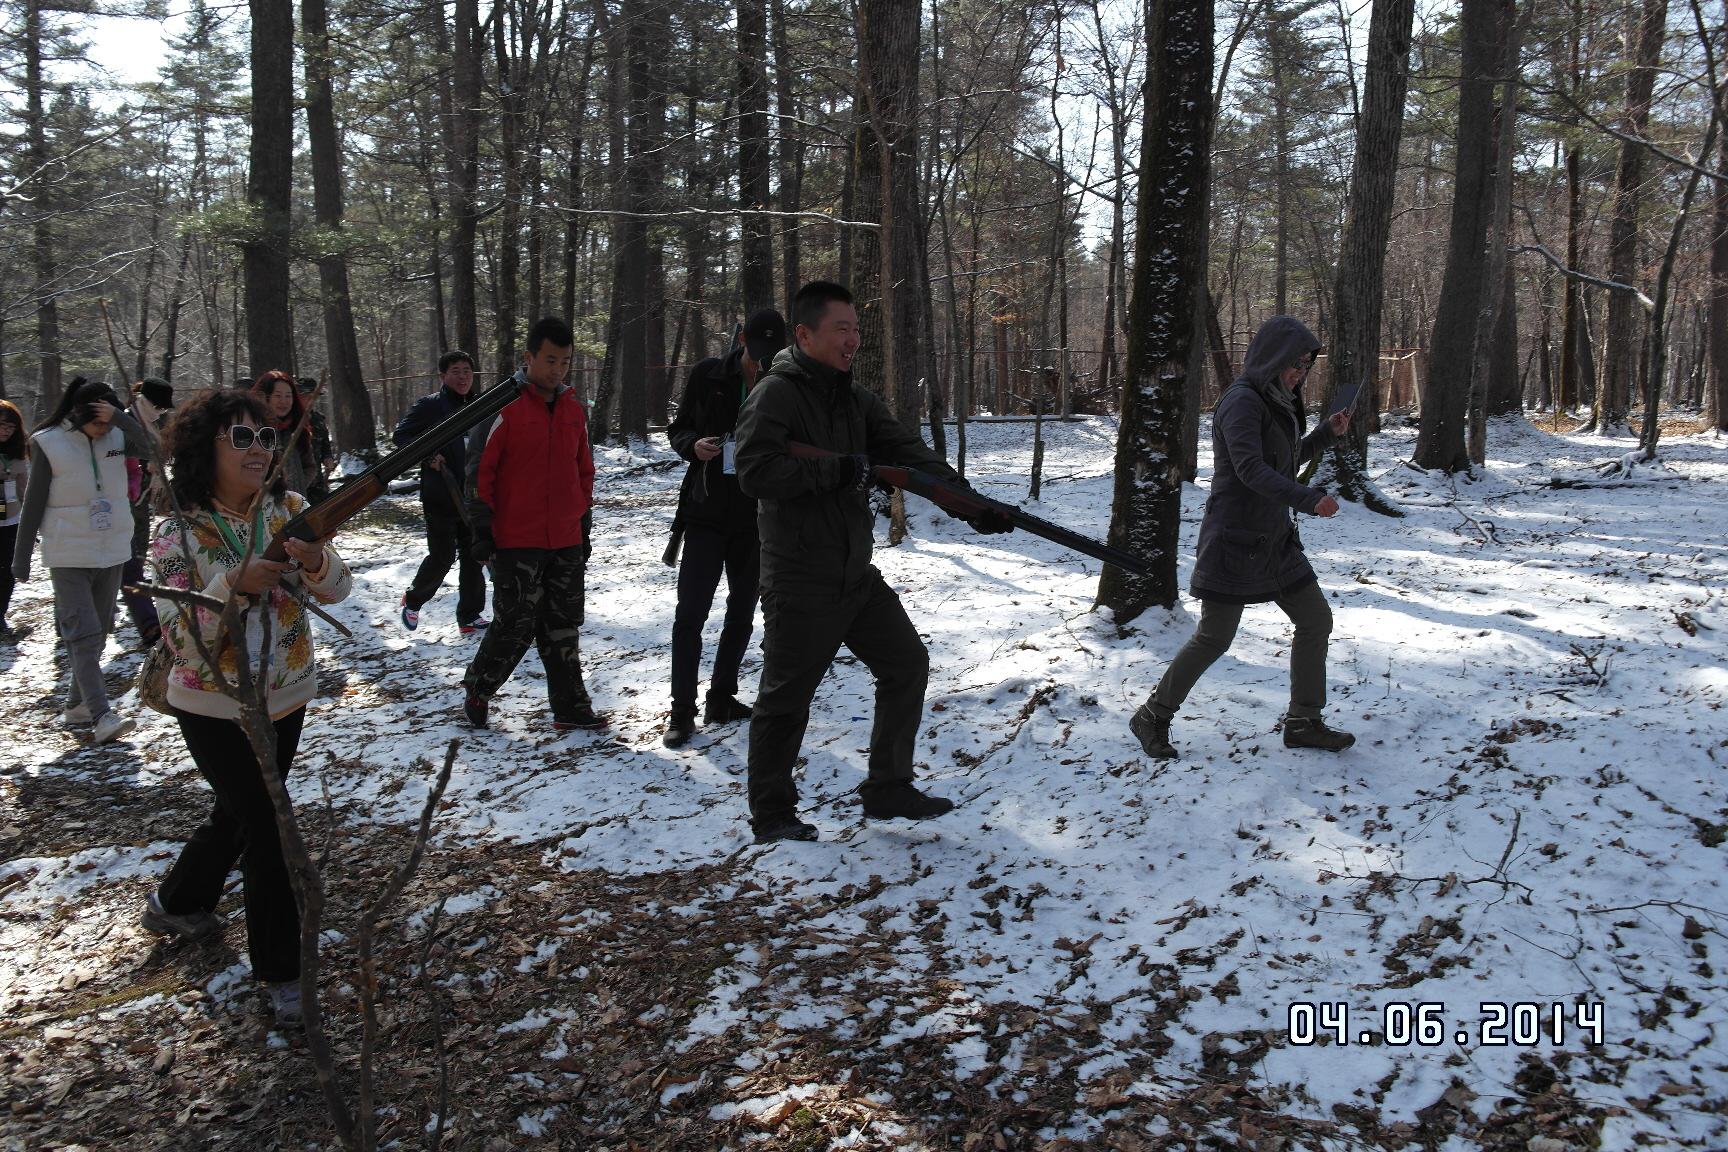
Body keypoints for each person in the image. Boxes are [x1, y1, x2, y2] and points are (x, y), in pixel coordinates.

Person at [734, 281, 1010, 844]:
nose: (854, 340)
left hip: (855, 574)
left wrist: (968, 502)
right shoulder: (776, 395)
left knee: (905, 664)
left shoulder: (852, 397)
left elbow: (905, 451)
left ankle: (887, 788)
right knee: (785, 701)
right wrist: (836, 471)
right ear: (805, 334)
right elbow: (755, 472)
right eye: (842, 329)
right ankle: (772, 814)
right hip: (801, 576)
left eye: (858, 329)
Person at [142, 388, 351, 1027]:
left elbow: (339, 589)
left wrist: (314, 560)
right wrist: (232, 585)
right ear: (207, 449)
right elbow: (179, 634)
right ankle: (283, 975)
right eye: (241, 438)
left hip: (285, 694)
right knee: (269, 824)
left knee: (241, 811)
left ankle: (179, 898)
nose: (258, 448)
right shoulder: (176, 529)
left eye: (264, 437)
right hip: (211, 703)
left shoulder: (287, 508)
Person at [1129, 314, 1355, 760]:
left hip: (1275, 540)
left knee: (1315, 620)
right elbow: (1251, 470)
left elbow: (1284, 460)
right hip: (1234, 540)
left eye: (1306, 366)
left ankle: (1304, 720)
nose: (1300, 373)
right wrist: (1307, 499)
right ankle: (1152, 716)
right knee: (1215, 637)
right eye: (1295, 363)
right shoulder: (1242, 402)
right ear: (1272, 358)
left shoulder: (1280, 401)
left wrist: (1326, 435)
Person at [460, 316, 603, 731]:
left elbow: (584, 471)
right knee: (515, 622)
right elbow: (478, 472)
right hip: (515, 540)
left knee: (563, 623)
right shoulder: (501, 407)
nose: (557, 370)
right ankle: (479, 688)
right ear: (529, 358)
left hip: (565, 538)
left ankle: (570, 707)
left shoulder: (574, 409)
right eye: (550, 360)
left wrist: (583, 525)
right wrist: (482, 529)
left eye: (565, 362)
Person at [662, 308, 786, 748]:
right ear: (740, 338)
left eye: (770, 352)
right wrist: (693, 446)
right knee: (691, 613)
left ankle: (722, 697)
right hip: (706, 511)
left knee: (741, 610)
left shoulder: (782, 382)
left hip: (755, 516)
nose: (761, 360)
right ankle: (681, 710)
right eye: (756, 350)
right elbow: (679, 430)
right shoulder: (709, 375)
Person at [10, 378, 152, 743]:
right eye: (98, 422)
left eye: (109, 422)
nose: (103, 430)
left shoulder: (118, 435)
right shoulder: (48, 442)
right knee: (83, 631)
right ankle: (101, 714)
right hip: (68, 551)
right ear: (78, 414)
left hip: (113, 547)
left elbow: (157, 450)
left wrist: (121, 419)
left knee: (100, 630)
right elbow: (33, 503)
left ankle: (76, 705)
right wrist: (21, 557)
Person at [393, 351, 490, 635]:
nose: (462, 377)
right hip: (440, 496)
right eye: (456, 371)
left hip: (473, 495)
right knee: (443, 555)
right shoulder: (430, 406)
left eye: (467, 372)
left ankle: (470, 616)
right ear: (443, 376)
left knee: (475, 555)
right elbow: (402, 437)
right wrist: (428, 456)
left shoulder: (479, 405)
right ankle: (413, 600)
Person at [119, 377, 174, 648]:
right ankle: (145, 618)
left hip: (142, 499)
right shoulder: (127, 422)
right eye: (159, 407)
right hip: (124, 499)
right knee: (128, 561)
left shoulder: (152, 424)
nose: (162, 412)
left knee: (138, 553)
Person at [251, 370, 329, 503]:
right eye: (278, 395)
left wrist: (294, 489)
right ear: (265, 397)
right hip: (262, 510)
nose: (284, 401)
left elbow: (310, 466)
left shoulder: (298, 428)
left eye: (288, 396)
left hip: (295, 507)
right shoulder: (253, 430)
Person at [0, 399, 28, 639]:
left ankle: (1, 615)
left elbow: (24, 488)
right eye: (1, 426)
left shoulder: (18, 454)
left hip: (11, 519)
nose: (5, 431)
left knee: (7, 570)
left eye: (10, 427)